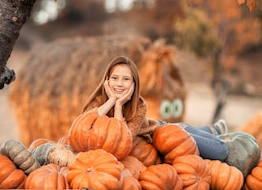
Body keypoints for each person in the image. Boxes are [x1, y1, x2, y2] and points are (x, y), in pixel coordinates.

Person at [82, 55, 228, 161]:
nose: (119, 84)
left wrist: (119, 106)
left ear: (134, 83)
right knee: (191, 133)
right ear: (106, 81)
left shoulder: (138, 105)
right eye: (115, 78)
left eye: (126, 79)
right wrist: (112, 101)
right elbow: (85, 124)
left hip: (160, 133)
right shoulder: (97, 102)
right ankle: (209, 130)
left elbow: (123, 139)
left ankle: (210, 131)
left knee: (220, 151)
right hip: (161, 133)